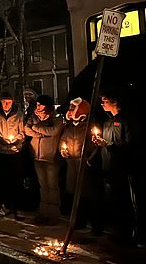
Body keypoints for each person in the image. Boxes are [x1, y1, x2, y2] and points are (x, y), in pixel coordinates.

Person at [91, 91, 137, 243]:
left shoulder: (125, 120)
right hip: (108, 166)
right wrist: (99, 142)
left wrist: (108, 144)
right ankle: (117, 231)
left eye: (105, 100)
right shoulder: (107, 122)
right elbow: (106, 143)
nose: (102, 104)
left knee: (125, 201)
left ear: (115, 102)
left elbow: (130, 146)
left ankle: (129, 234)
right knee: (113, 201)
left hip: (122, 167)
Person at [60, 97, 103, 233]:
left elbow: (97, 145)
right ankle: (79, 221)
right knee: (75, 194)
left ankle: (96, 225)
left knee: (89, 194)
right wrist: (63, 150)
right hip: (72, 163)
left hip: (85, 164)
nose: (70, 111)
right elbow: (63, 140)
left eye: (73, 108)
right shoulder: (70, 125)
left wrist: (90, 159)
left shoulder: (91, 125)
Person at [25, 94, 63, 225]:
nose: (38, 106)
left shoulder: (56, 117)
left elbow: (54, 131)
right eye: (37, 104)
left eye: (40, 104)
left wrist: (36, 128)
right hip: (37, 155)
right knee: (42, 185)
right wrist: (41, 133)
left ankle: (53, 214)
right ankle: (43, 212)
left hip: (51, 156)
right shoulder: (33, 116)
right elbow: (26, 129)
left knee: (52, 186)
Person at [0, 91, 26, 219]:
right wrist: (0, 139)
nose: (6, 104)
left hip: (15, 151)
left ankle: (15, 206)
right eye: (4, 102)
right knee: (2, 180)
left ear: (13, 102)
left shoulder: (19, 114)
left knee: (15, 180)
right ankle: (3, 205)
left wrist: (16, 139)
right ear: (0, 101)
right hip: (1, 151)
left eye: (9, 102)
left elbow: (22, 132)